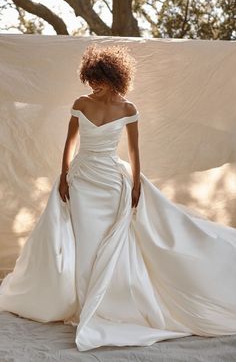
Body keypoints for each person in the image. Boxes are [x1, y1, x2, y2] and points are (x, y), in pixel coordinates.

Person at [0, 44, 236, 353]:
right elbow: (69, 144)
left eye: (99, 79)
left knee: (108, 242)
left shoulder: (128, 109)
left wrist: (136, 184)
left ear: (114, 77)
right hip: (83, 181)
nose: (94, 85)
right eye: (91, 79)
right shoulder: (81, 103)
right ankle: (87, 304)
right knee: (86, 242)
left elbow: (135, 151)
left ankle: (107, 302)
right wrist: (63, 176)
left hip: (112, 183)